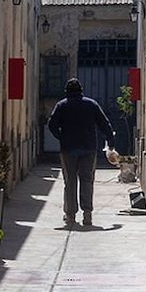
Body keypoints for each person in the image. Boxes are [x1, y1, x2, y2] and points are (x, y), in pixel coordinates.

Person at [47, 78, 115, 227]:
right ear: (81, 90)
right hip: (88, 149)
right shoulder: (91, 105)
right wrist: (110, 141)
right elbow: (105, 123)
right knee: (87, 180)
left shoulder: (62, 105)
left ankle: (70, 215)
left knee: (70, 181)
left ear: (67, 91)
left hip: (68, 149)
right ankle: (87, 214)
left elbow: (51, 124)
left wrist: (61, 136)